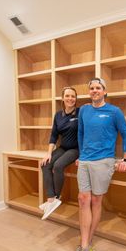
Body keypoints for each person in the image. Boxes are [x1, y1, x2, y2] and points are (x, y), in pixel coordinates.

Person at [68, 77, 126, 251]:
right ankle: (85, 245)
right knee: (82, 199)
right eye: (92, 88)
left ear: (104, 91)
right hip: (85, 160)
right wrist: (80, 155)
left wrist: (125, 159)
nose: (95, 90)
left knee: (95, 201)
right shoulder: (85, 110)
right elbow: (80, 134)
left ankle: (85, 245)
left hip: (104, 160)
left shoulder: (114, 111)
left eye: (98, 88)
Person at [40, 86, 79, 220]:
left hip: (76, 149)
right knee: (45, 164)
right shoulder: (58, 115)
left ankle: (57, 197)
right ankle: (51, 199)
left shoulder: (80, 113)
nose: (70, 99)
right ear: (62, 98)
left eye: (73, 96)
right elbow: (53, 136)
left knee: (58, 166)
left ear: (76, 98)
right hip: (63, 147)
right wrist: (49, 153)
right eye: (67, 96)